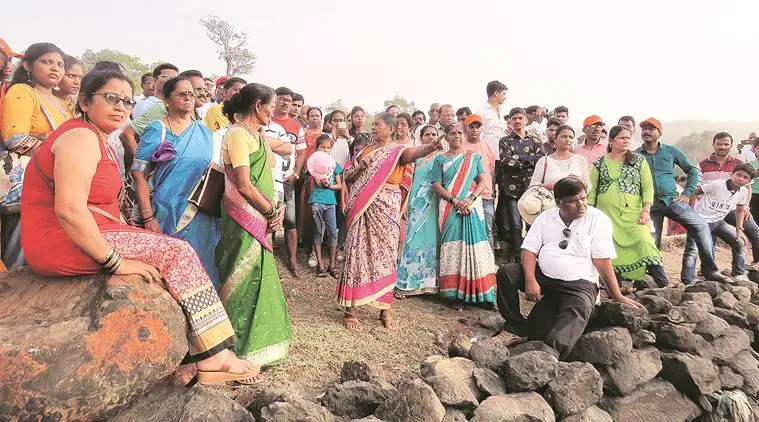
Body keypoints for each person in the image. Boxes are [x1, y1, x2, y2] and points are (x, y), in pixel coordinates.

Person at [21, 68, 261, 384]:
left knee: (174, 257)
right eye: (110, 98)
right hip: (61, 239)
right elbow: (68, 211)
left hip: (91, 231)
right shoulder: (79, 137)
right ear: (83, 101)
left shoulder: (94, 136)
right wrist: (116, 261)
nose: (120, 106)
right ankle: (217, 358)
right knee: (178, 254)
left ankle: (197, 354)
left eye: (126, 100)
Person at [496, 177, 644, 359]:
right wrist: (530, 279)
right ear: (559, 203)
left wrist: (617, 295)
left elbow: (602, 262)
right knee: (506, 273)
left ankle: (550, 352)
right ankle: (514, 326)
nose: (581, 204)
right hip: (544, 276)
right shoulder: (546, 217)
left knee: (579, 308)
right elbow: (529, 250)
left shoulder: (598, 219)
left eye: (583, 198)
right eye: (573, 201)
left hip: (579, 284)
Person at [338, 112, 442, 331]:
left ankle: (385, 308)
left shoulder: (398, 152)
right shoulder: (366, 150)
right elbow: (347, 177)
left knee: (385, 257)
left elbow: (415, 153)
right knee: (357, 255)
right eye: (373, 125)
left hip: (387, 209)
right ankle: (351, 310)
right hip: (363, 210)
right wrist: (360, 167)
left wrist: (431, 147)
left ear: (391, 129)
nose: (373, 128)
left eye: (377, 125)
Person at [215, 82, 291, 366]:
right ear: (258, 105)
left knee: (259, 275)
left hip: (262, 215)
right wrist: (271, 210)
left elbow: (270, 171)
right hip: (243, 216)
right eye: (271, 106)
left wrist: (275, 208)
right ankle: (234, 347)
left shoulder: (256, 134)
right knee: (241, 276)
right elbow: (245, 185)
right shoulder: (237, 135)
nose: (273, 112)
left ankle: (258, 344)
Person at [131, 75, 222, 287]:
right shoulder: (158, 129)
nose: (188, 98)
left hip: (201, 213)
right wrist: (147, 216)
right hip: (166, 211)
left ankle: (206, 317)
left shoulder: (205, 132)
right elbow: (138, 174)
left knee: (202, 268)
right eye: (182, 94)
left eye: (191, 93)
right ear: (167, 100)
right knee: (169, 272)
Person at [1, 42, 72, 269]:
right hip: (28, 175)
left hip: (59, 175)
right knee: (23, 237)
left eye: (60, 64)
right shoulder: (22, 91)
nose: (55, 68)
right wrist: (57, 155)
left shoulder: (61, 103)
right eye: (46, 61)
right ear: (28, 65)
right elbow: (15, 138)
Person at [635, 117, 726, 282]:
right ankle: (659, 282)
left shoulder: (671, 151)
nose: (646, 131)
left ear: (659, 133)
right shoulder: (635, 155)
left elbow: (692, 170)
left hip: (673, 200)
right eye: (644, 129)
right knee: (651, 242)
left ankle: (709, 270)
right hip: (649, 206)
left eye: (651, 128)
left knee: (700, 225)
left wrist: (687, 192)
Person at [589, 126, 668, 287]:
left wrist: (646, 210)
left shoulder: (638, 161)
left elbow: (647, 186)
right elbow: (592, 191)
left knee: (645, 242)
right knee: (610, 250)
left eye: (628, 138)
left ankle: (664, 285)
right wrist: (589, 214)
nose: (626, 141)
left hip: (634, 214)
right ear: (611, 141)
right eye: (622, 138)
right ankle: (615, 291)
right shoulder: (599, 163)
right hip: (607, 216)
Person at [432, 122, 497, 308]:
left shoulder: (474, 157)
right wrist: (455, 200)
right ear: (446, 136)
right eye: (452, 133)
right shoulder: (440, 159)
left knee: (475, 248)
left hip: (471, 206)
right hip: (449, 207)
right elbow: (436, 184)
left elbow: (483, 181)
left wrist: (470, 199)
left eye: (459, 132)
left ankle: (481, 294)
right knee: (453, 248)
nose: (457, 136)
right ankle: (453, 295)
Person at [698, 132, 759, 271]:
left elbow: (747, 188)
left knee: (754, 231)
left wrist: (746, 207)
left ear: (731, 146)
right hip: (710, 209)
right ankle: (707, 271)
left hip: (733, 208)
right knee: (709, 240)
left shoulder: (739, 164)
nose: (722, 147)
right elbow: (698, 189)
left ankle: (754, 265)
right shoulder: (702, 165)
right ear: (713, 145)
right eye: (719, 144)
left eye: (726, 144)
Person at [684, 164, 755, 283]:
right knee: (692, 251)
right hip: (701, 221)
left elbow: (739, 210)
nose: (741, 179)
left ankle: (738, 274)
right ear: (732, 174)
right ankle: (688, 280)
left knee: (739, 242)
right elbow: (694, 192)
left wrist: (739, 229)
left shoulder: (743, 191)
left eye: (745, 177)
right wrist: (691, 213)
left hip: (717, 222)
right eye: (738, 175)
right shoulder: (717, 184)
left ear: (749, 181)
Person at [396, 125, 441, 297]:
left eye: (434, 134)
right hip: (415, 203)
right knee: (412, 239)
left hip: (435, 204)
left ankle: (430, 285)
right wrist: (405, 203)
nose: (430, 137)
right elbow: (406, 182)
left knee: (432, 240)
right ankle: (407, 284)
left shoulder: (443, 158)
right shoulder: (415, 158)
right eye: (427, 134)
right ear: (420, 138)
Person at [496, 107, 544, 255]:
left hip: (531, 189)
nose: (517, 121)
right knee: (515, 225)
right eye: (514, 118)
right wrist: (529, 161)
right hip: (511, 190)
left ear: (526, 120)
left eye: (520, 118)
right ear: (510, 121)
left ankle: (532, 255)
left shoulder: (535, 140)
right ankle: (516, 256)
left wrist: (518, 160)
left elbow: (540, 159)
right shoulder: (505, 141)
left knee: (533, 223)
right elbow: (506, 161)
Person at [269, 86, 306, 277]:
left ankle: (292, 259)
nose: (285, 103)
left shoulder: (296, 126)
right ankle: (269, 254)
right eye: (281, 99)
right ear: (274, 100)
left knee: (290, 219)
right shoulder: (266, 120)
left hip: (287, 179)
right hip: (268, 179)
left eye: (288, 100)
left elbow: (301, 152)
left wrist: (296, 173)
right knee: (269, 215)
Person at [120, 63, 179, 169]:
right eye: (166, 77)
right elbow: (128, 135)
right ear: (155, 80)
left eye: (174, 78)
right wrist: (140, 167)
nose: (171, 80)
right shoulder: (149, 105)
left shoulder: (173, 106)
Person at [308, 135, 343, 278]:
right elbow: (310, 181)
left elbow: (339, 185)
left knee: (333, 232)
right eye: (323, 147)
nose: (325, 150)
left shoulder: (334, 165)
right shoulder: (313, 164)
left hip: (330, 203)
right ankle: (320, 266)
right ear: (317, 148)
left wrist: (330, 185)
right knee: (318, 232)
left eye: (328, 147)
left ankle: (332, 265)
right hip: (316, 201)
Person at [461, 114, 496, 246]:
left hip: (485, 195)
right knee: (467, 230)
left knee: (487, 230)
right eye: (472, 126)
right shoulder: (461, 146)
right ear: (466, 128)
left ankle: (489, 264)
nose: (475, 129)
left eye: (478, 126)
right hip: (465, 195)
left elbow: (491, 169)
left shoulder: (486, 146)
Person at [530, 125, 589, 190]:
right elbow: (533, 185)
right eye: (564, 136)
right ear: (555, 139)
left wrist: (580, 183)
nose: (568, 140)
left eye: (571, 137)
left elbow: (588, 185)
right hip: (549, 198)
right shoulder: (544, 161)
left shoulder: (580, 160)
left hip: (574, 199)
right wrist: (545, 187)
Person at [479, 81, 508, 157]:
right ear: (496, 93)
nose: (505, 97)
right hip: (487, 156)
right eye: (504, 94)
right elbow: (478, 136)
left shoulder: (501, 112)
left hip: (503, 156)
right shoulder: (481, 112)